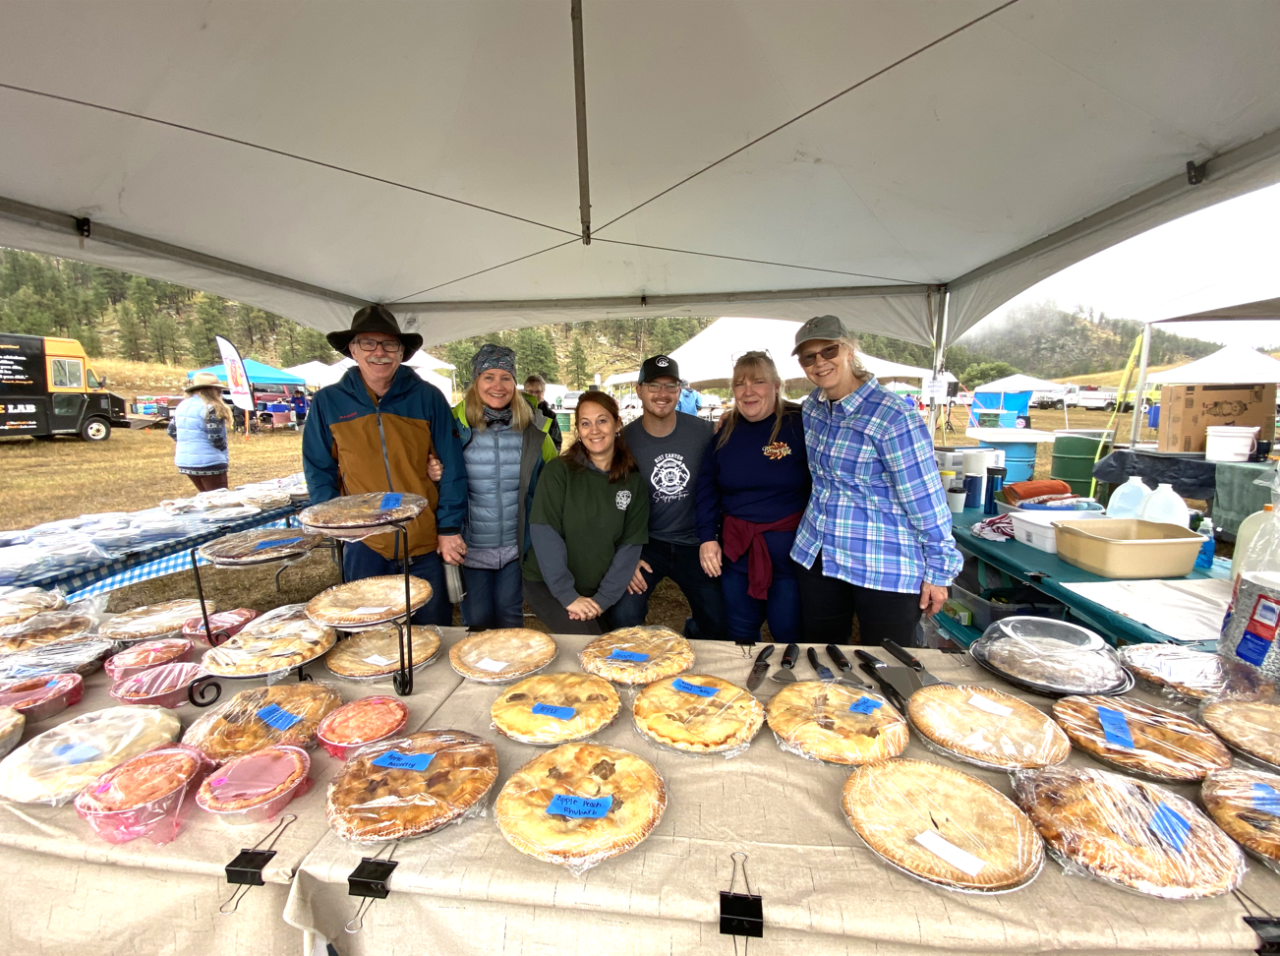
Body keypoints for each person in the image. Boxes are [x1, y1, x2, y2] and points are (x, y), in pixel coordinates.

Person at [789, 315, 962, 645]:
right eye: (809, 357)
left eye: (829, 350)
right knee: (823, 655)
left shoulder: (893, 414)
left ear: (849, 349)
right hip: (820, 554)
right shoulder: (812, 407)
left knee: (890, 665)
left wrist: (940, 570)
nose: (820, 362)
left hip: (883, 561)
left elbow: (925, 498)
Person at [302, 304, 466, 626]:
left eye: (389, 344)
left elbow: (453, 466)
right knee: (367, 632)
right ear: (352, 349)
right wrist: (339, 525)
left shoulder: (428, 398)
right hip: (366, 544)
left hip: (423, 538)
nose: (380, 352)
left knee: (433, 631)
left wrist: (448, 528)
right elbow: (319, 470)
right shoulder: (328, 403)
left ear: (401, 351)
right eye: (368, 343)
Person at [696, 352, 810, 643]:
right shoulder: (723, 434)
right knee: (740, 635)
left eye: (758, 381)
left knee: (789, 634)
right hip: (737, 555)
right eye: (739, 384)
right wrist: (707, 538)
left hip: (790, 559)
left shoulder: (801, 424)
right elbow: (707, 489)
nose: (748, 391)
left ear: (775, 385)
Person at [611, 355, 727, 639]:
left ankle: (695, 632)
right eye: (654, 385)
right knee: (624, 613)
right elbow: (611, 504)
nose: (662, 394)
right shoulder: (623, 441)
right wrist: (624, 555)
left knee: (720, 620)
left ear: (680, 391)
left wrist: (734, 418)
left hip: (695, 542)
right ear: (639, 390)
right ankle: (639, 662)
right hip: (648, 544)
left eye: (671, 386)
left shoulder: (706, 432)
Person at [448, 345, 558, 631]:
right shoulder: (453, 425)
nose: (498, 385)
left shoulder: (533, 428)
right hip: (470, 548)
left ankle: (513, 677)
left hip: (514, 547)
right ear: (475, 381)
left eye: (506, 377)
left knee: (511, 621)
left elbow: (555, 476)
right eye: (489, 377)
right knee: (478, 622)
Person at [522, 392, 649, 634]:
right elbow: (545, 534)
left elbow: (629, 547)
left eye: (602, 420)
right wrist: (568, 596)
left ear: (617, 424)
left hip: (596, 588)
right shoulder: (559, 472)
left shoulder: (633, 483)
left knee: (610, 645)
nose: (594, 430)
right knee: (591, 645)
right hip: (547, 583)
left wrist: (602, 600)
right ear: (578, 429)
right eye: (585, 423)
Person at [168, 371, 234, 491]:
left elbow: (171, 431)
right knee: (221, 502)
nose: (220, 392)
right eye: (217, 389)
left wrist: (188, 442)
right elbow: (215, 438)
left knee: (207, 499)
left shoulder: (182, 405)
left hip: (185, 461)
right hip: (210, 462)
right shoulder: (211, 407)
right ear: (212, 390)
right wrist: (222, 449)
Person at [522, 373, 563, 450]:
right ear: (525, 392)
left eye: (538, 392)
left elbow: (556, 443)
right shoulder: (516, 412)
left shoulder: (550, 416)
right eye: (531, 392)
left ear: (543, 392)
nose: (534, 395)